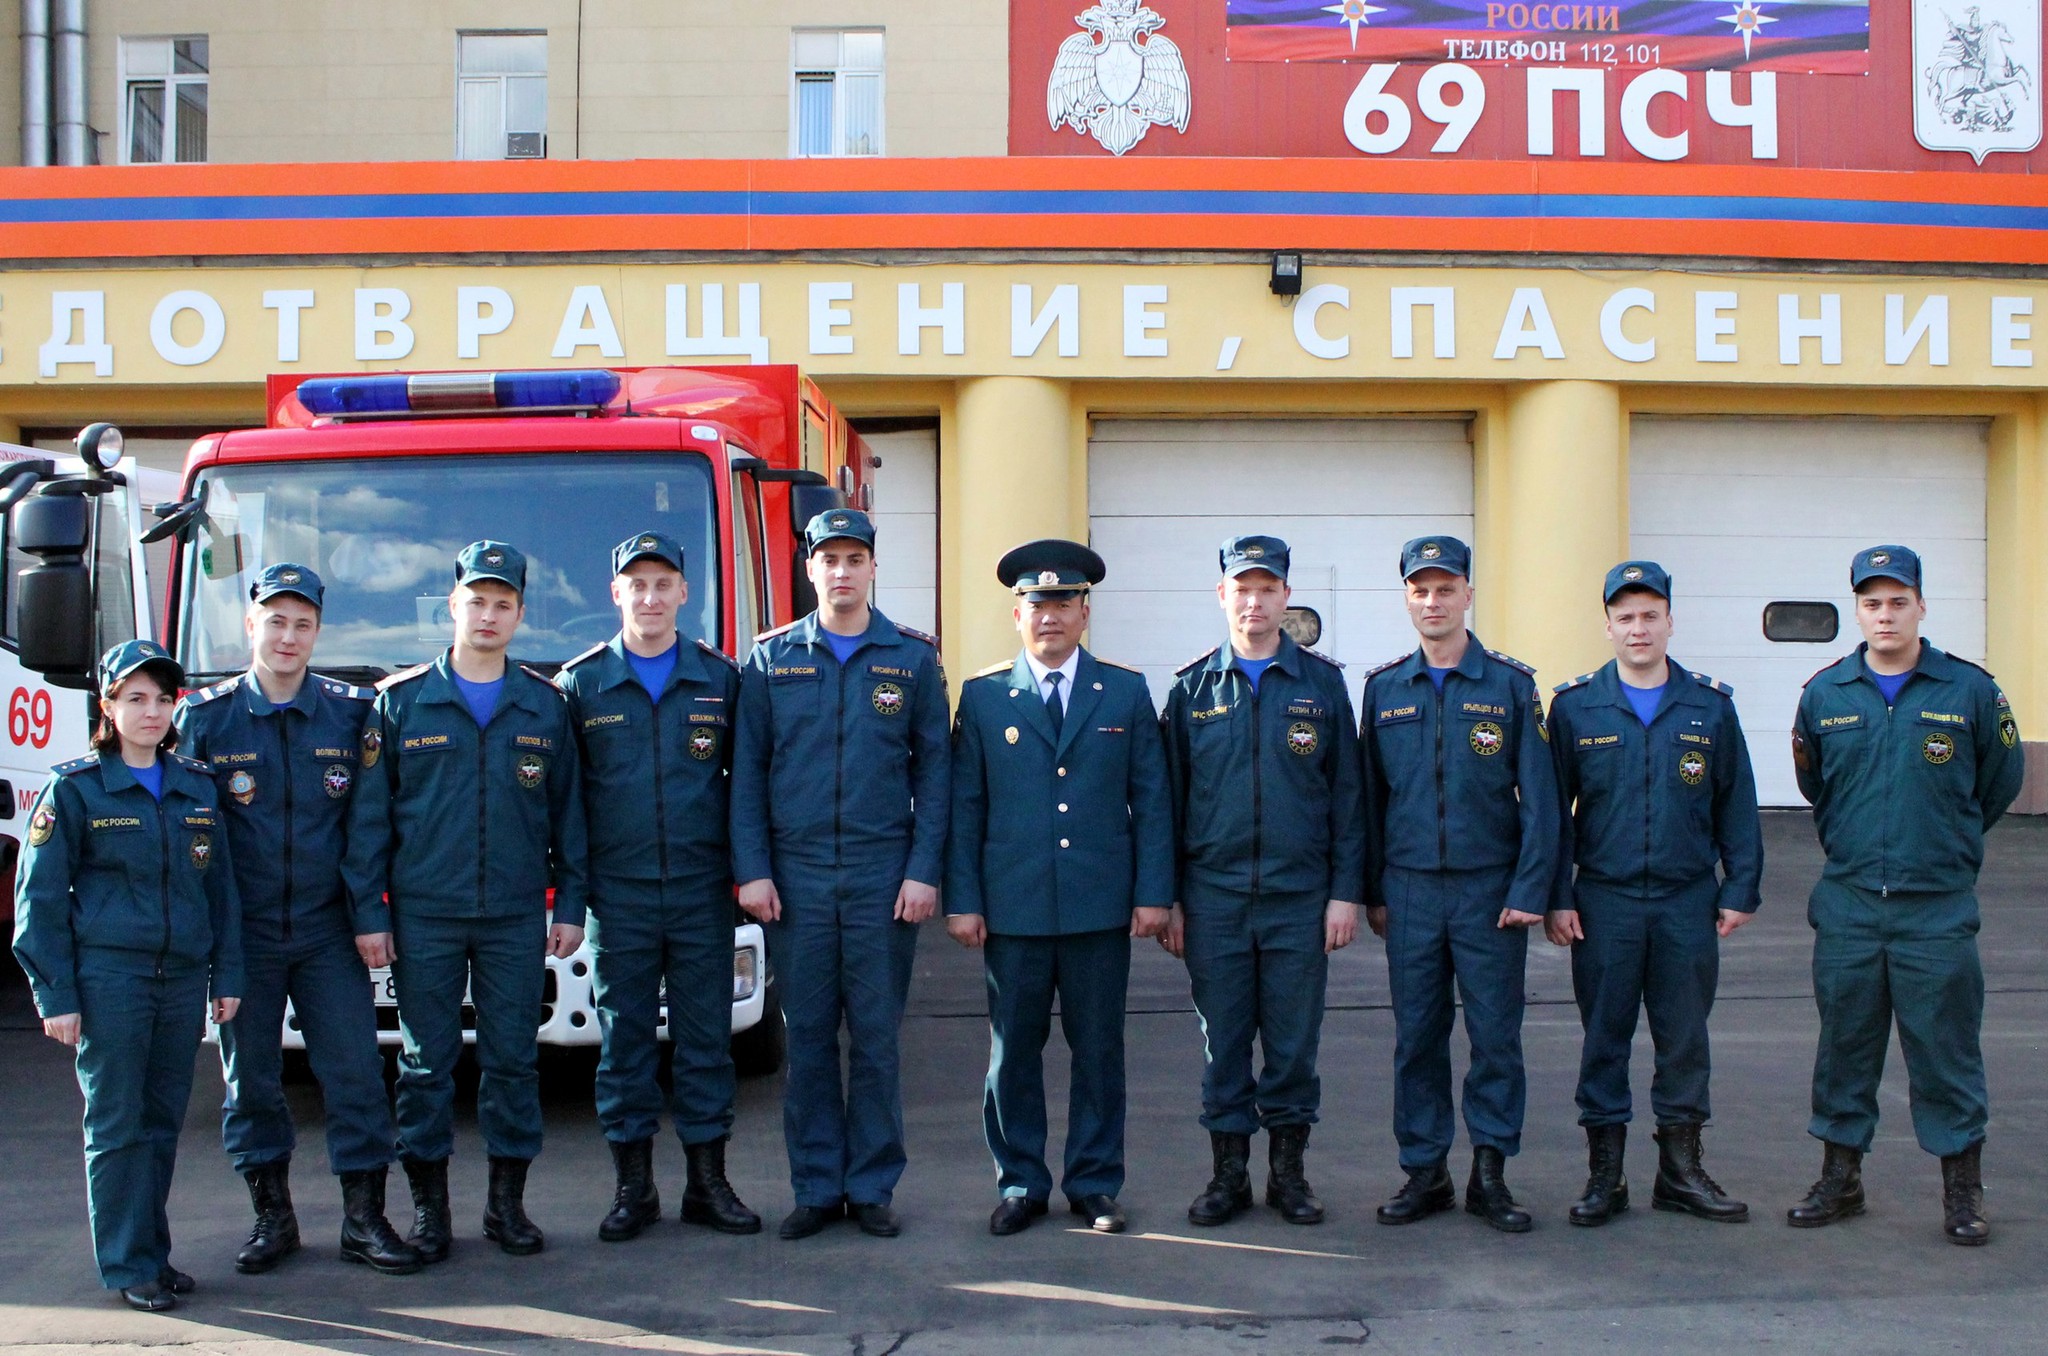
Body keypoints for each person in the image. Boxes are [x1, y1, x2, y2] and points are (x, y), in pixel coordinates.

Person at [343, 540, 588, 1259]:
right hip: (426, 914)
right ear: (453, 606)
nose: (488, 614)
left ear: (519, 614)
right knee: (426, 1064)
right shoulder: (402, 701)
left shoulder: (544, 705)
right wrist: (369, 913)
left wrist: (571, 904)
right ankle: (429, 1213)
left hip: (515, 914)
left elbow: (571, 815)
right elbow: (368, 823)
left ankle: (505, 1209)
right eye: (476, 601)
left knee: (514, 1060)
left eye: (503, 604)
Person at [176, 564, 419, 1275]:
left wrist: (371, 913)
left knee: (355, 1077)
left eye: (302, 623)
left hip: (326, 932)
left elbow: (370, 826)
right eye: (274, 621)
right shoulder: (206, 718)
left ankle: (364, 1219)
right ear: (251, 624)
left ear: (318, 631)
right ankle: (271, 1219)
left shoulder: (352, 713)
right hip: (243, 935)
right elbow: (192, 837)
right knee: (250, 1081)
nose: (288, 636)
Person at [1786, 544, 2021, 1245]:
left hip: (1935, 905)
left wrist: (1944, 841)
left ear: (1921, 605)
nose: (1884, 615)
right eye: (1871, 603)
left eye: (1897, 601)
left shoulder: (1970, 692)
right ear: (1856, 610)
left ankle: (1962, 1188)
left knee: (1945, 1049)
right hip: (1853, 901)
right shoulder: (1826, 694)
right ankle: (1840, 1177)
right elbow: (1815, 785)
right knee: (1845, 1048)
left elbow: (1998, 783)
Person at [731, 508, 949, 1241]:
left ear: (873, 569)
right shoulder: (769, 660)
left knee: (878, 1039)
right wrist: (753, 870)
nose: (843, 571)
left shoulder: (912, 661)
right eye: (830, 558)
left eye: (856, 558)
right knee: (811, 1036)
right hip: (794, 880)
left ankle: (874, 1186)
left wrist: (924, 872)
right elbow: (747, 775)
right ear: (810, 568)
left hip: (882, 877)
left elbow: (937, 776)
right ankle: (818, 1186)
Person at [946, 539, 1174, 1238]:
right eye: (1036, 603)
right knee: (1012, 1053)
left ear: (1085, 613)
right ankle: (1020, 1182)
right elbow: (967, 807)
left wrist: (1153, 893)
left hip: (1098, 908)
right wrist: (964, 899)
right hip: (1012, 909)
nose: (1050, 616)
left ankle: (1095, 1183)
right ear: (1018, 613)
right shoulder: (983, 698)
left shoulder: (1126, 691)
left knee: (1099, 1050)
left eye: (1064, 603)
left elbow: (1153, 799)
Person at [13, 640, 243, 1312]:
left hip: (178, 980)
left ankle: (152, 1253)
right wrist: (55, 993)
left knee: (162, 1123)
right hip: (110, 979)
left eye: (163, 699)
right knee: (116, 1125)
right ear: (108, 707)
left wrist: (225, 974)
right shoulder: (77, 788)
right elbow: (41, 900)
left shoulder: (197, 785)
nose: (151, 711)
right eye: (135, 698)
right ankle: (125, 1264)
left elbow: (221, 892)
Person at [1544, 561, 1762, 1228]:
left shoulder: (1709, 707)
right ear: (1607, 625)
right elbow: (1554, 813)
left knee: (1684, 1039)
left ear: (1670, 620)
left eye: (1650, 615)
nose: (1638, 628)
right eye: (1626, 617)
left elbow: (1738, 804)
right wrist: (1557, 895)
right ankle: (1605, 1176)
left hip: (1685, 901)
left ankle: (1681, 1171)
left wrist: (1740, 888)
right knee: (1604, 1040)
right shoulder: (1576, 707)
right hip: (1604, 902)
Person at [557, 531, 758, 1241]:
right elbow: (569, 807)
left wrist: (745, 876)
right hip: (621, 898)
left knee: (707, 1045)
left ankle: (708, 1184)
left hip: (703, 893)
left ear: (683, 592)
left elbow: (745, 790)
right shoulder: (581, 686)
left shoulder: (720, 679)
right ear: (615, 594)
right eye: (635, 584)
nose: (649, 596)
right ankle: (633, 1190)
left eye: (662, 583)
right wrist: (574, 902)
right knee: (625, 1049)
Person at [1159, 535, 1364, 1227]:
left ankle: (1288, 1176)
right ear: (1222, 596)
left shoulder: (1322, 684)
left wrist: (1344, 893)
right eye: (1241, 588)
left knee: (1293, 1043)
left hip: (1299, 899)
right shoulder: (1191, 688)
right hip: (1213, 898)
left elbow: (1348, 798)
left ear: (1284, 596)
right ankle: (1227, 1178)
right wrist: (1174, 900)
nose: (1253, 600)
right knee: (1223, 1041)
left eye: (1266, 587)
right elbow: (1167, 805)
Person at [1358, 536, 1561, 1233]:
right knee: (1417, 1036)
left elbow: (1539, 798)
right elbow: (1367, 802)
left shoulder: (1509, 685)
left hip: (1488, 891)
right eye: (1420, 589)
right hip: (1411, 890)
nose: (1433, 601)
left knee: (1495, 1036)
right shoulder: (1384, 689)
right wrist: (1373, 891)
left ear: (1469, 594)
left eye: (1446, 588)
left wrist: (1531, 888)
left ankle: (1492, 1174)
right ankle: (1425, 1172)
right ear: (1407, 598)